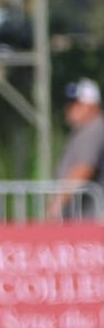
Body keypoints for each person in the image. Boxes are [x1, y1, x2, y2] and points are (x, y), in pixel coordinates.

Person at [47, 78, 104, 221]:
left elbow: (84, 168)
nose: (70, 108)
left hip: (90, 221)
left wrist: (57, 205)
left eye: (76, 103)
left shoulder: (94, 129)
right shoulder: (84, 130)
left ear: (92, 105)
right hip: (83, 219)